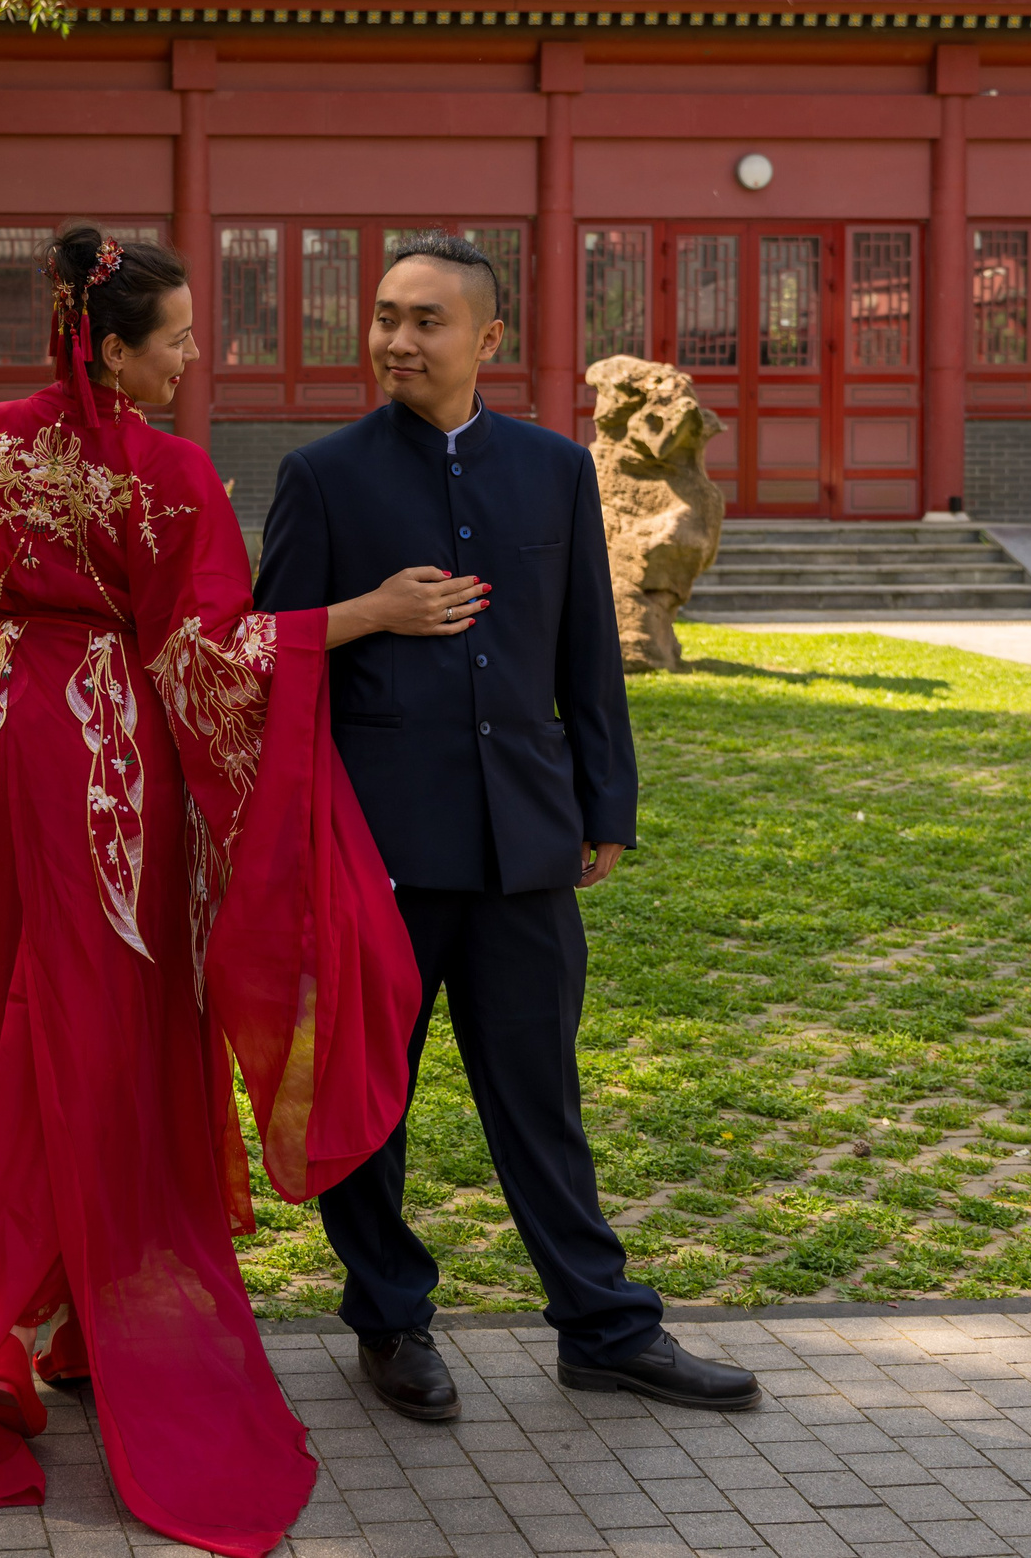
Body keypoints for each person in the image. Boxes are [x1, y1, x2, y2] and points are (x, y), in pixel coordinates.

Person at [0, 221, 487, 1556]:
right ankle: (89, 1321)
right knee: (105, 1027)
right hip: (106, 760)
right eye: (176, 336)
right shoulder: (169, 475)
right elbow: (209, 655)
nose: (196, 357)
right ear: (111, 349)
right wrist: (362, 614)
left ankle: (14, 1326)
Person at [254, 232, 761, 1420]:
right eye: (384, 315)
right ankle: (388, 1319)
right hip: (377, 846)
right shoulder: (322, 475)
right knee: (368, 1101)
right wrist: (369, 616)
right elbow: (270, 662)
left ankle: (601, 1326)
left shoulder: (551, 471)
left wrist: (605, 802)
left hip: (525, 836)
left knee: (539, 1091)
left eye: (427, 320)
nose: (396, 338)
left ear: (486, 340)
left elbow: (588, 649)